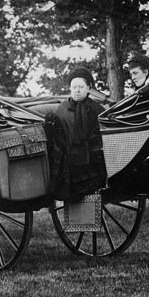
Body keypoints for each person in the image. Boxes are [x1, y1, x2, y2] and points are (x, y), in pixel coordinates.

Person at [47, 67, 107, 202]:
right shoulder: (62, 110)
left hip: (92, 164)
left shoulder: (97, 110)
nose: (77, 90)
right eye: (74, 87)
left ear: (88, 88)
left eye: (81, 86)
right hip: (70, 164)